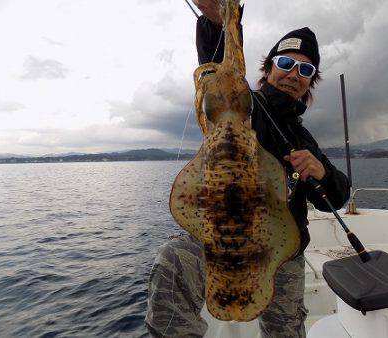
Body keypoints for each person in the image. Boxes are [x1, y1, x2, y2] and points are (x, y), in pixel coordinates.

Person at [145, 1, 350, 337]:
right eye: (285, 63)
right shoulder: (243, 106)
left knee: (286, 330)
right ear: (267, 70)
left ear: (310, 84)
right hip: (223, 238)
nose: (293, 74)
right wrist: (220, 23)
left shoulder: (304, 139)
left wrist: (322, 174)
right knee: (174, 259)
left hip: (282, 252)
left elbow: (335, 198)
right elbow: (221, 78)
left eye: (306, 70)